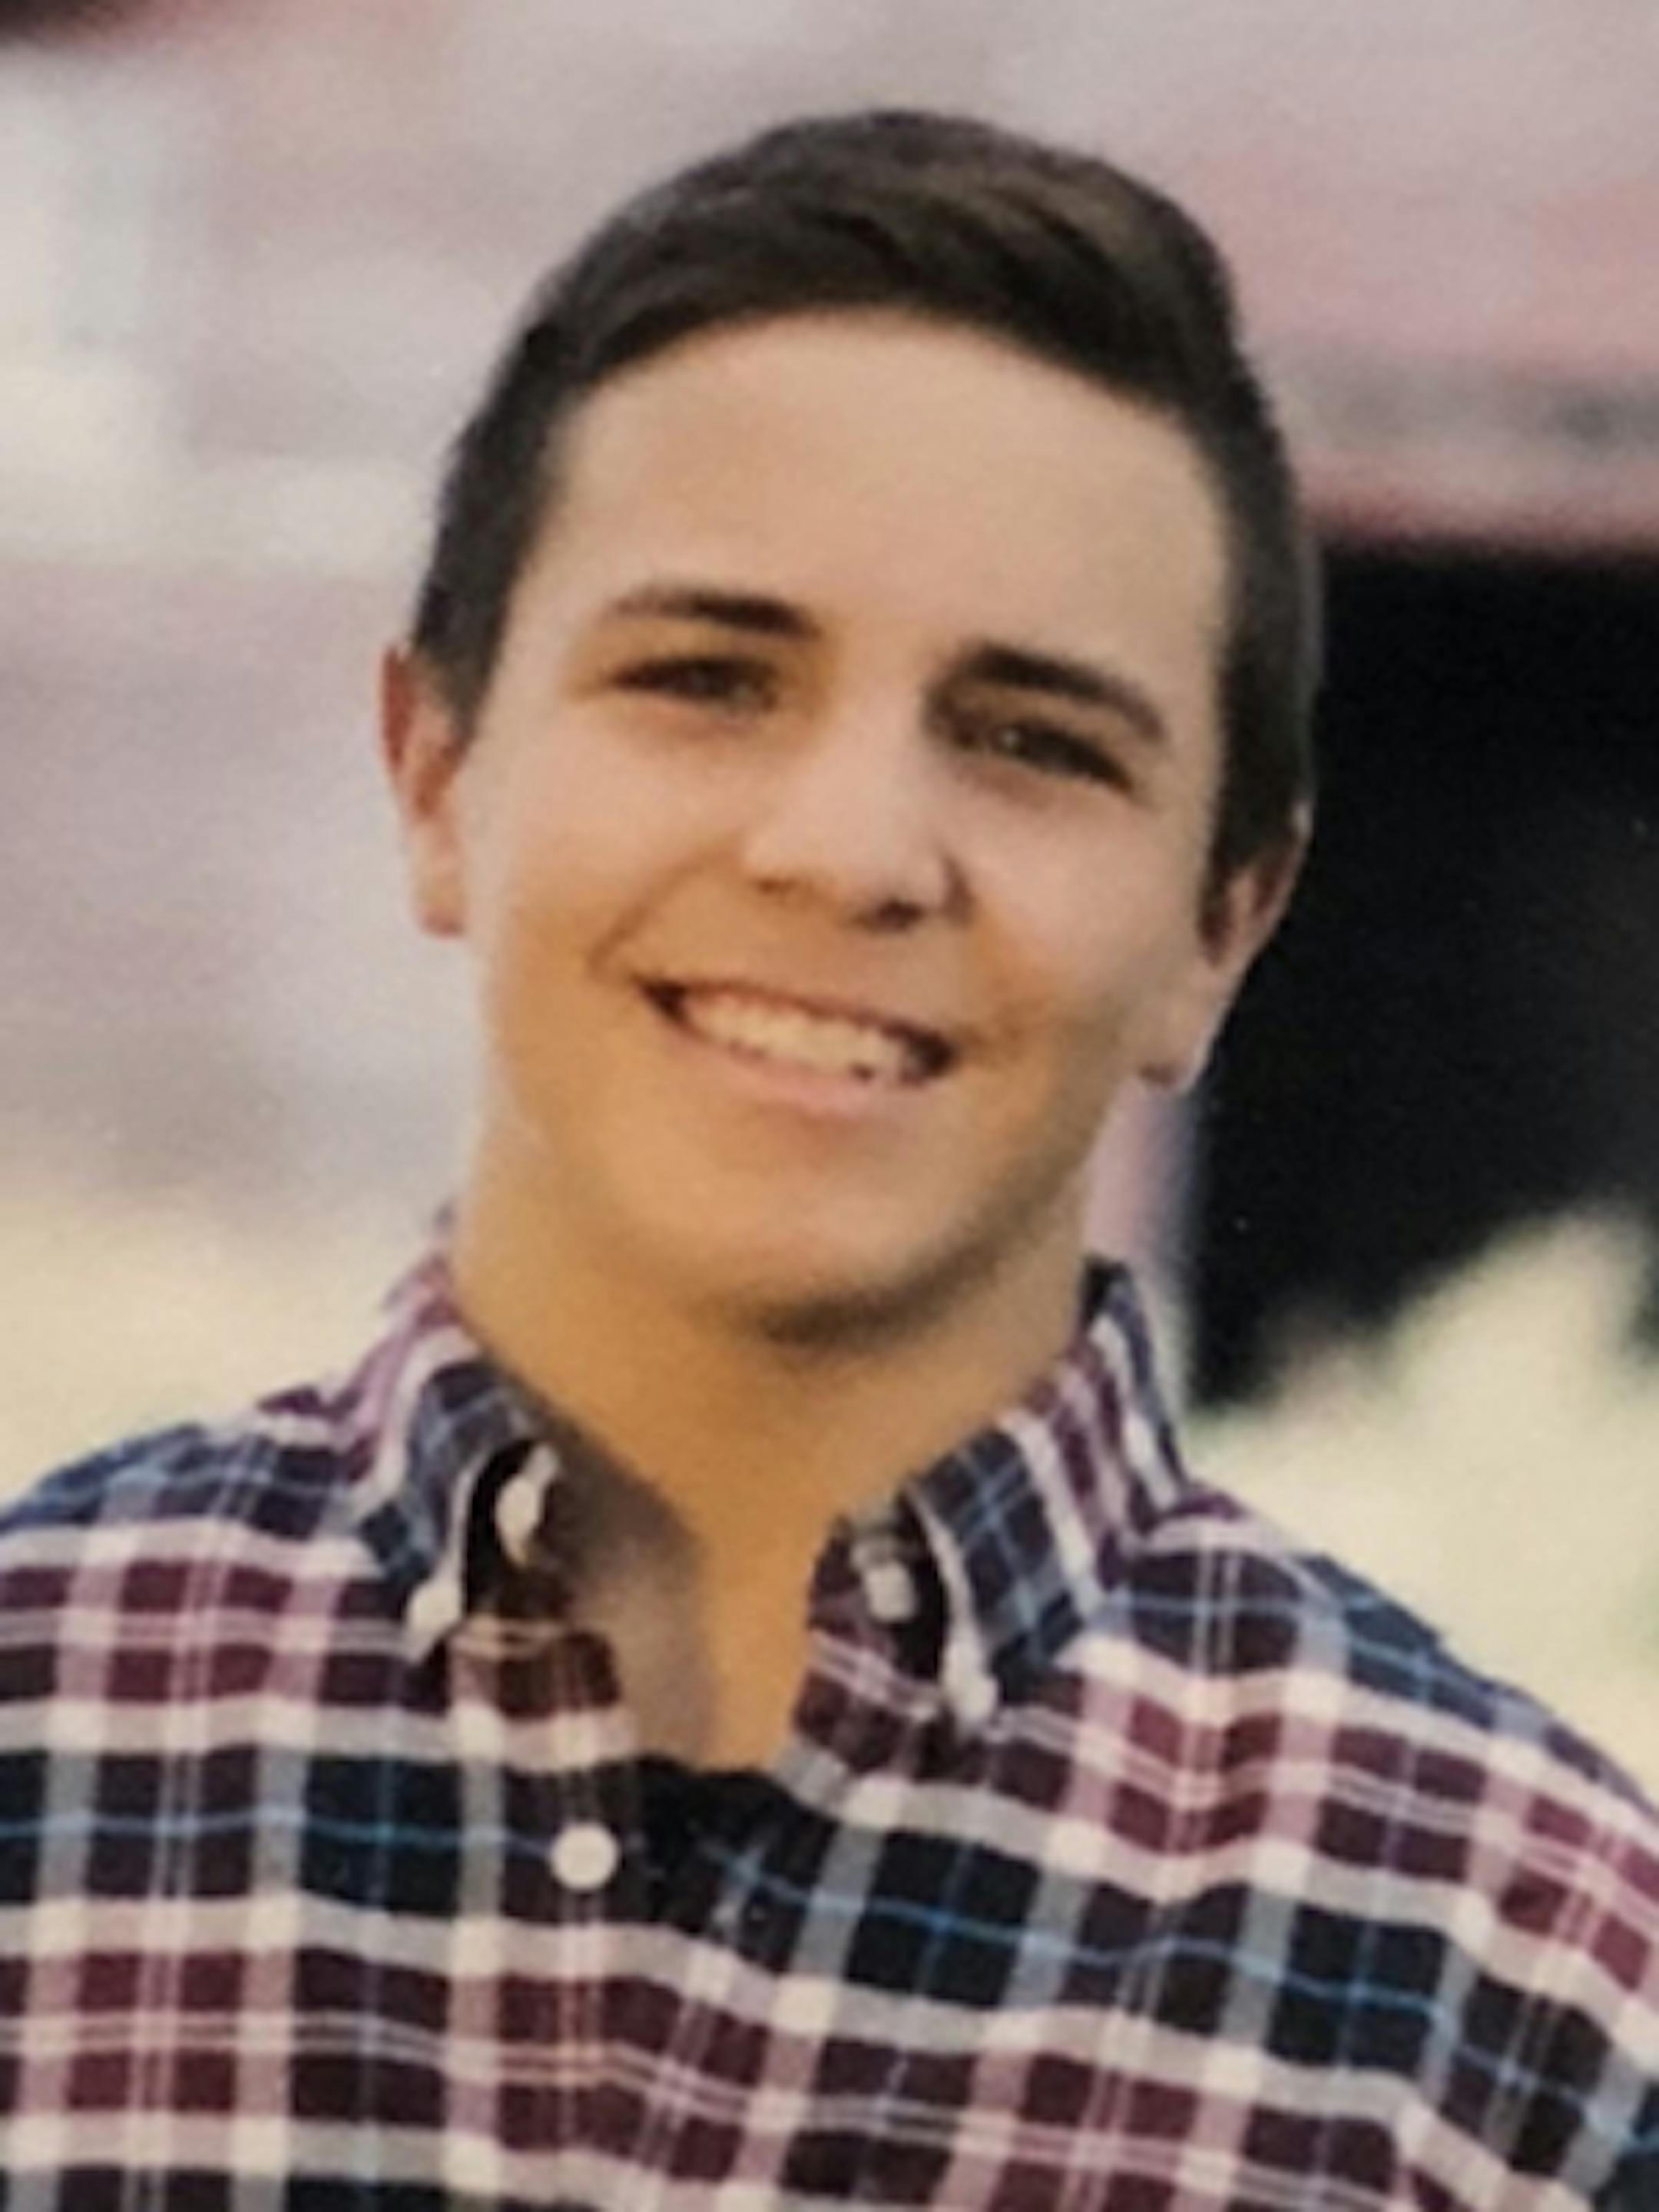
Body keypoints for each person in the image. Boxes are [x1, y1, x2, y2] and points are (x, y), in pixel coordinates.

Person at [0, 109, 1654, 2210]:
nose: (852, 851)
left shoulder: (1527, 1996)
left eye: (1034, 740)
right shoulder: (38, 1738)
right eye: (708, 678)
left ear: (1219, 928)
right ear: (433, 774)